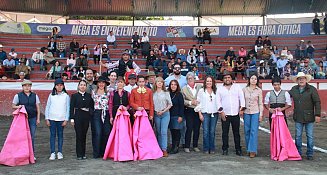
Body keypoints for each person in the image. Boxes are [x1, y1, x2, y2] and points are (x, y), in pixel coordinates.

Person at [289, 72, 321, 160]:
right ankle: (298, 152)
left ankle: (310, 153)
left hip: (309, 116)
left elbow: (317, 102)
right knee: (298, 136)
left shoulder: (312, 89)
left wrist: (317, 114)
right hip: (298, 116)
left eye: (303, 78)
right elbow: (286, 96)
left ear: (306, 80)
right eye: (299, 79)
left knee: (309, 135)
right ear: (297, 81)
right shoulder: (294, 89)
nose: (301, 80)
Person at [104, 77, 133, 161]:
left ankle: (125, 151)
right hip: (115, 114)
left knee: (125, 133)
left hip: (125, 115)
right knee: (115, 133)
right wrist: (111, 116)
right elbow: (110, 105)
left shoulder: (127, 93)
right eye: (118, 82)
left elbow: (130, 104)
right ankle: (115, 151)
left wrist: (126, 108)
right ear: (116, 84)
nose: (120, 84)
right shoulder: (112, 93)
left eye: (121, 82)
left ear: (124, 84)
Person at [217, 71, 245, 156]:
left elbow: (242, 98)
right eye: (225, 78)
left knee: (236, 132)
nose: (227, 79)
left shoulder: (237, 87)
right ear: (223, 79)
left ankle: (238, 149)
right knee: (225, 133)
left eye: (228, 77)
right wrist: (221, 112)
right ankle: (225, 149)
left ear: (231, 78)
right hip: (225, 114)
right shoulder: (219, 88)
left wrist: (242, 109)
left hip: (235, 113)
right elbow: (218, 102)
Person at [12, 80, 41, 160]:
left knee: (31, 136)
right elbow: (13, 106)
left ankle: (31, 154)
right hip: (22, 119)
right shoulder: (18, 95)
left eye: (28, 86)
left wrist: (38, 118)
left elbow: (38, 107)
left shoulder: (35, 95)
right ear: (22, 87)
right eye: (25, 86)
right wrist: (19, 106)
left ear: (31, 87)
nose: (27, 87)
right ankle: (22, 153)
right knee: (22, 136)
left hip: (32, 118)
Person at [45, 78, 70, 160]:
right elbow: (48, 106)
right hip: (52, 118)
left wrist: (66, 119)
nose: (59, 87)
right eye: (57, 85)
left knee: (60, 135)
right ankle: (52, 152)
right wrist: (47, 118)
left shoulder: (66, 96)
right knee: (52, 135)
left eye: (61, 85)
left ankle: (59, 152)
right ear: (55, 86)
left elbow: (68, 108)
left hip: (61, 119)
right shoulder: (51, 95)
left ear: (63, 86)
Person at [70, 80, 94, 160]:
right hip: (78, 116)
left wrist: (90, 114)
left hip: (86, 117)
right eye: (81, 85)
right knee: (79, 135)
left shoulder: (89, 96)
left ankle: (83, 153)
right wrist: (72, 118)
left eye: (84, 85)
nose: (82, 86)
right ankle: (79, 154)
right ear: (78, 86)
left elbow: (91, 107)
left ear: (86, 86)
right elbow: (71, 108)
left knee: (84, 135)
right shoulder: (74, 96)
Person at [242, 74, 263, 158]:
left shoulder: (259, 90)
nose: (253, 80)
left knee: (253, 131)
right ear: (249, 80)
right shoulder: (244, 90)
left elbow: (260, 103)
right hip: (246, 112)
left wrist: (261, 114)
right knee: (247, 130)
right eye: (252, 78)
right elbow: (242, 101)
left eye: (255, 79)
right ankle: (248, 148)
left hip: (255, 112)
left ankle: (253, 150)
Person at [197, 76, 219, 154]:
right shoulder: (201, 91)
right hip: (205, 113)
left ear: (213, 82)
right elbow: (198, 103)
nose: (209, 83)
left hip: (214, 114)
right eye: (207, 81)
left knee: (212, 131)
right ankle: (206, 148)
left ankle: (212, 148)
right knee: (206, 131)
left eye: (210, 81)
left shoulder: (216, 91)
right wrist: (200, 114)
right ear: (205, 82)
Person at [181, 72, 202, 153]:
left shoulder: (200, 87)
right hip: (189, 110)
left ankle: (195, 145)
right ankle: (187, 146)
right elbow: (183, 100)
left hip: (198, 109)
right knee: (189, 128)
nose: (190, 79)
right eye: (188, 78)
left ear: (194, 79)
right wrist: (190, 102)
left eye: (191, 78)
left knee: (197, 128)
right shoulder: (184, 89)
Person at [91, 76, 111, 159]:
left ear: (105, 84)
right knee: (98, 133)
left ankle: (104, 152)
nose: (101, 84)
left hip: (106, 113)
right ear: (97, 84)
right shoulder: (93, 92)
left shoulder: (109, 93)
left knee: (106, 133)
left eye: (103, 82)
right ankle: (96, 152)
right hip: (97, 113)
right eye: (100, 82)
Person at [153, 77, 172, 157]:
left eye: (161, 82)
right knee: (158, 132)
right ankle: (159, 148)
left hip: (165, 113)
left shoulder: (166, 93)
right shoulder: (152, 93)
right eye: (158, 82)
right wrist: (155, 111)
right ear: (156, 83)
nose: (160, 83)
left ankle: (164, 149)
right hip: (156, 113)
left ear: (163, 83)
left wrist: (163, 111)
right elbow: (151, 104)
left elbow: (170, 104)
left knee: (163, 131)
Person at [168, 80, 184, 154]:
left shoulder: (179, 94)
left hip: (177, 115)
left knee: (177, 132)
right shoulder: (167, 94)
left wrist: (181, 116)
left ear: (177, 86)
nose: (173, 86)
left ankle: (176, 147)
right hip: (169, 115)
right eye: (172, 84)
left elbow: (181, 106)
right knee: (172, 132)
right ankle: (173, 146)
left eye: (175, 84)